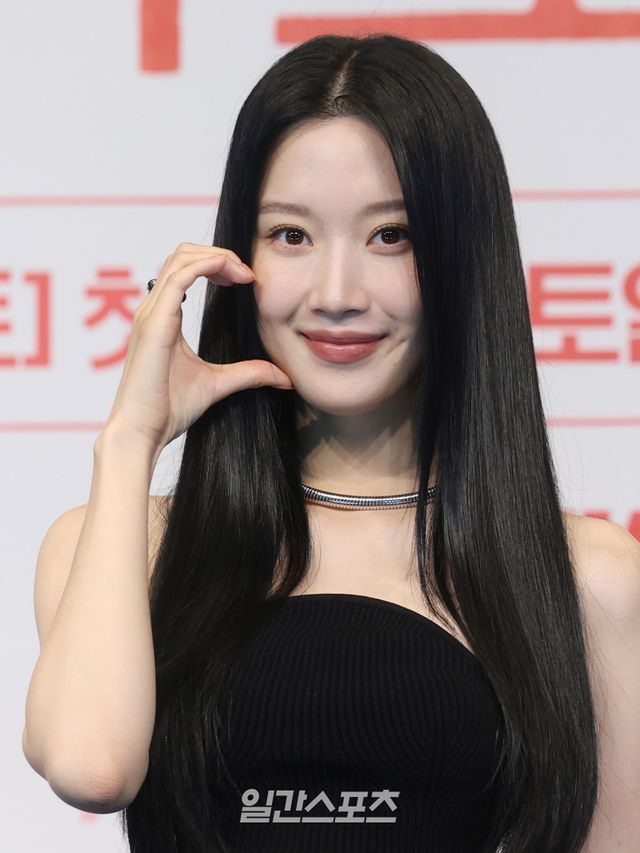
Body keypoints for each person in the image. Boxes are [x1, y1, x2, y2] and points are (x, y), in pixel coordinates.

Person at [22, 32, 640, 853]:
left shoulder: (586, 578)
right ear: (236, 255)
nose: (337, 293)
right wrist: (130, 439)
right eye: (291, 236)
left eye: (392, 236)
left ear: (462, 256)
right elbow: (90, 767)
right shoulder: (123, 546)